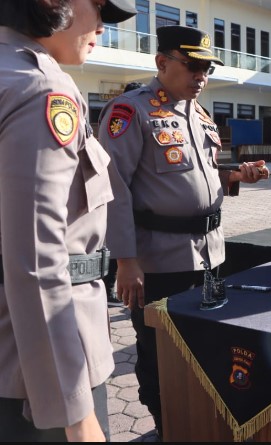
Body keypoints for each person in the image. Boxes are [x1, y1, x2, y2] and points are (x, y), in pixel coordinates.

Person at [97, 25, 270, 439]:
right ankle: (165, 425)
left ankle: (198, 421)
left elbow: (197, 178)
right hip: (158, 262)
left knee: (204, 348)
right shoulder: (131, 111)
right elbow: (112, 190)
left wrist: (233, 177)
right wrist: (125, 261)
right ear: (162, 62)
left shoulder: (199, 112)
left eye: (207, 68)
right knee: (159, 355)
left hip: (210, 256)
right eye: (193, 66)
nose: (202, 77)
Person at [0, 0, 136, 442]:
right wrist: (74, 410)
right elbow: (38, 261)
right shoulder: (40, 89)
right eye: (97, 5)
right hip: (40, 367)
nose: (102, 23)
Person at [104, 80, 146, 306]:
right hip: (115, 196)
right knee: (115, 246)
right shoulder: (122, 112)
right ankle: (108, 286)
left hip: (125, 198)